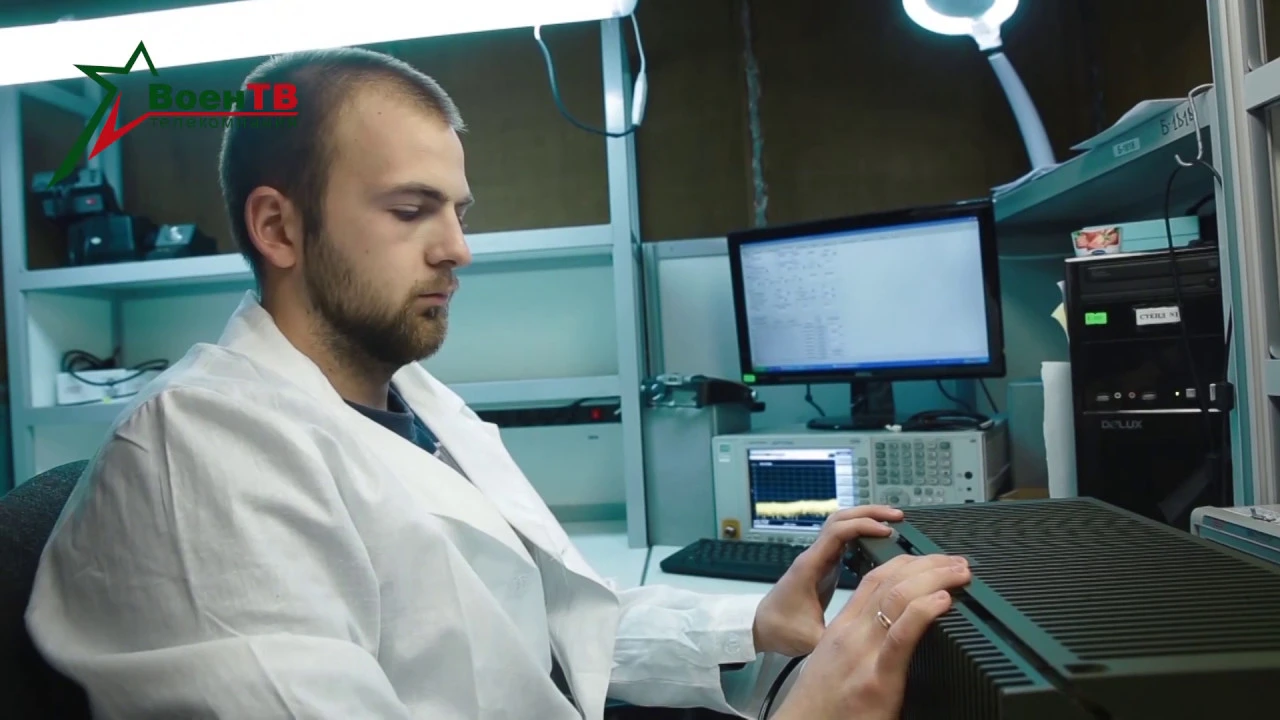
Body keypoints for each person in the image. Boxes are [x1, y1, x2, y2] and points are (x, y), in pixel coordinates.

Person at [24, 47, 971, 719]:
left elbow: (551, 633)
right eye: (411, 210)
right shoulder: (202, 459)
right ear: (279, 228)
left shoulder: (418, 407)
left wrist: (756, 625)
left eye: (459, 211)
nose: (458, 249)